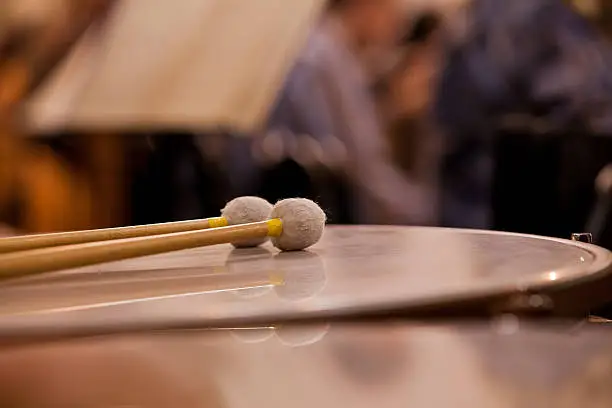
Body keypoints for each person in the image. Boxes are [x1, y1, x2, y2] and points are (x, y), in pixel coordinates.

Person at [433, 0, 612, 229]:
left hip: (475, 206)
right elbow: (588, 106)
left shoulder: (475, 19)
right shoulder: (538, 16)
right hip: (518, 205)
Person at [267, 0, 435, 225]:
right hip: (335, 216)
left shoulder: (329, 51)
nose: (401, 22)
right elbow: (360, 166)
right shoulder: (326, 59)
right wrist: (427, 212)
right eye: (393, 8)